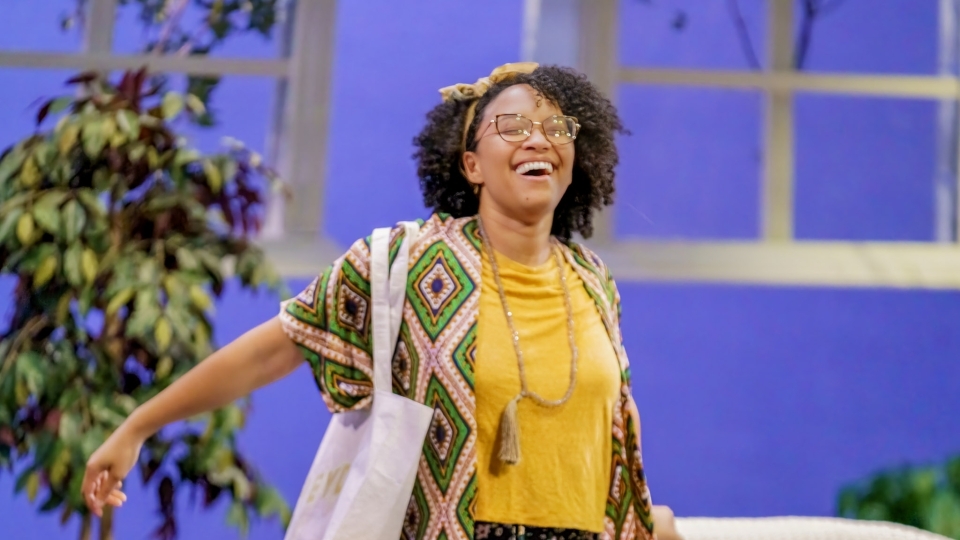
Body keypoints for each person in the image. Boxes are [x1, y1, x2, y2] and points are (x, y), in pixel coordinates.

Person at [82, 63, 682, 540]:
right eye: (513, 125)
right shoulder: (404, 260)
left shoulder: (592, 279)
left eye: (557, 128)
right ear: (471, 164)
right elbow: (274, 350)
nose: (539, 140)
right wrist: (139, 425)